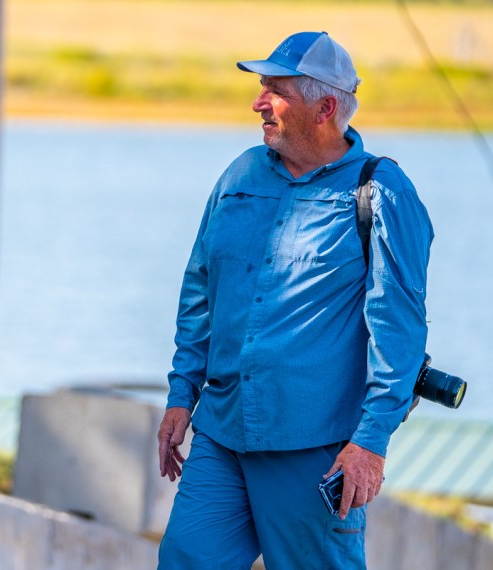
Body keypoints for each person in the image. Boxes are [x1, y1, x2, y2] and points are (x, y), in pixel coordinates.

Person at [156, 31, 433, 569]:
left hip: (315, 450)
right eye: (262, 87)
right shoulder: (240, 175)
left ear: (325, 108)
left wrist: (370, 442)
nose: (258, 103)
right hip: (222, 432)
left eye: (275, 91)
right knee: (185, 558)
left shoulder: (382, 193)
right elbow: (199, 291)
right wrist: (181, 393)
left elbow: (398, 332)